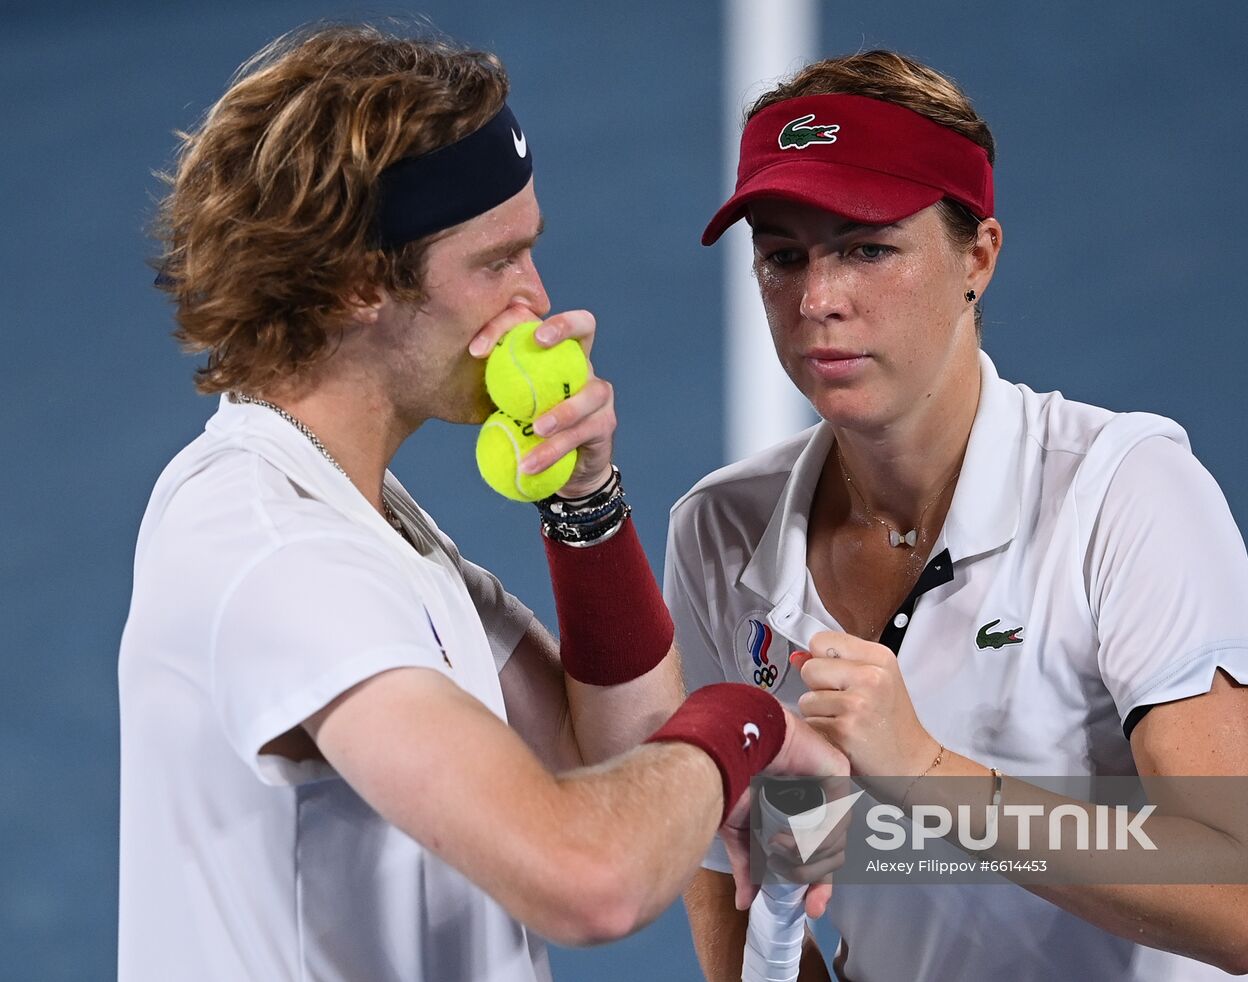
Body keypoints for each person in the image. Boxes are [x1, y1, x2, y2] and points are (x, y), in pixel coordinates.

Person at [117, 23, 845, 981]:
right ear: (359, 283)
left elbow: (613, 762)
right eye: (498, 261)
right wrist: (750, 725)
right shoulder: (275, 552)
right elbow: (590, 877)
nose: (535, 298)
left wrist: (584, 500)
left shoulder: (370, 522)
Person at [668, 51, 1248, 980]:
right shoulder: (718, 531)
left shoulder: (1126, 493)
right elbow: (723, 867)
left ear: (978, 256)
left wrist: (926, 773)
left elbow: (1243, 902)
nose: (818, 299)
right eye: (783, 255)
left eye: (867, 247)